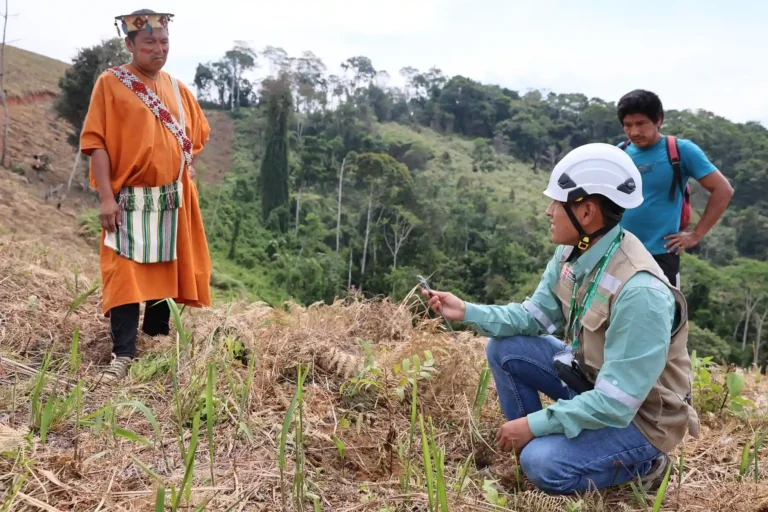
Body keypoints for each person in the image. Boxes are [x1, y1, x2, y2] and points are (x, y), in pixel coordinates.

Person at [422, 143, 699, 495]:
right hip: (593, 381)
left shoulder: (640, 292)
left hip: (641, 417)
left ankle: (644, 463)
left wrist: (535, 425)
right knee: (506, 348)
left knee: (544, 464)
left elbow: (617, 404)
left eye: (556, 202)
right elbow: (532, 317)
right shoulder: (573, 254)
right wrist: (466, 311)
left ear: (586, 212)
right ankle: (529, 451)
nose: (548, 211)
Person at [80, 10, 212, 382]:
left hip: (171, 197)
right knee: (124, 274)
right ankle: (123, 354)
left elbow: (198, 133)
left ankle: (157, 342)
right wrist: (106, 198)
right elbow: (96, 143)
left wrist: (174, 160)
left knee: (164, 272)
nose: (159, 49)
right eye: (150, 42)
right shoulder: (111, 83)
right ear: (130, 45)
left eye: (164, 42)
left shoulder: (175, 86)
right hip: (128, 199)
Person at [616, 89, 733, 286]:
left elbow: (723, 190)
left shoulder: (681, 150)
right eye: (628, 125)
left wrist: (695, 235)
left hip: (660, 255)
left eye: (641, 123)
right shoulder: (620, 152)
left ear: (658, 120)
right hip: (618, 252)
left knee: (658, 314)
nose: (634, 132)